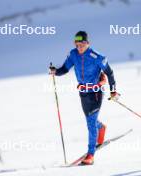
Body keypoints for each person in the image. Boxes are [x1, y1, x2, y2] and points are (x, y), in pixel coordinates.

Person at [49, 31, 119, 165]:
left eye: (82, 44)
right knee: (90, 120)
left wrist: (113, 91)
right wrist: (55, 71)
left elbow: (109, 73)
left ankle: (90, 155)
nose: (79, 47)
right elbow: (64, 69)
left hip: (96, 93)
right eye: (77, 45)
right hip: (83, 93)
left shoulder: (96, 57)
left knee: (90, 124)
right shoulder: (73, 54)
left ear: (88, 43)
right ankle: (101, 127)